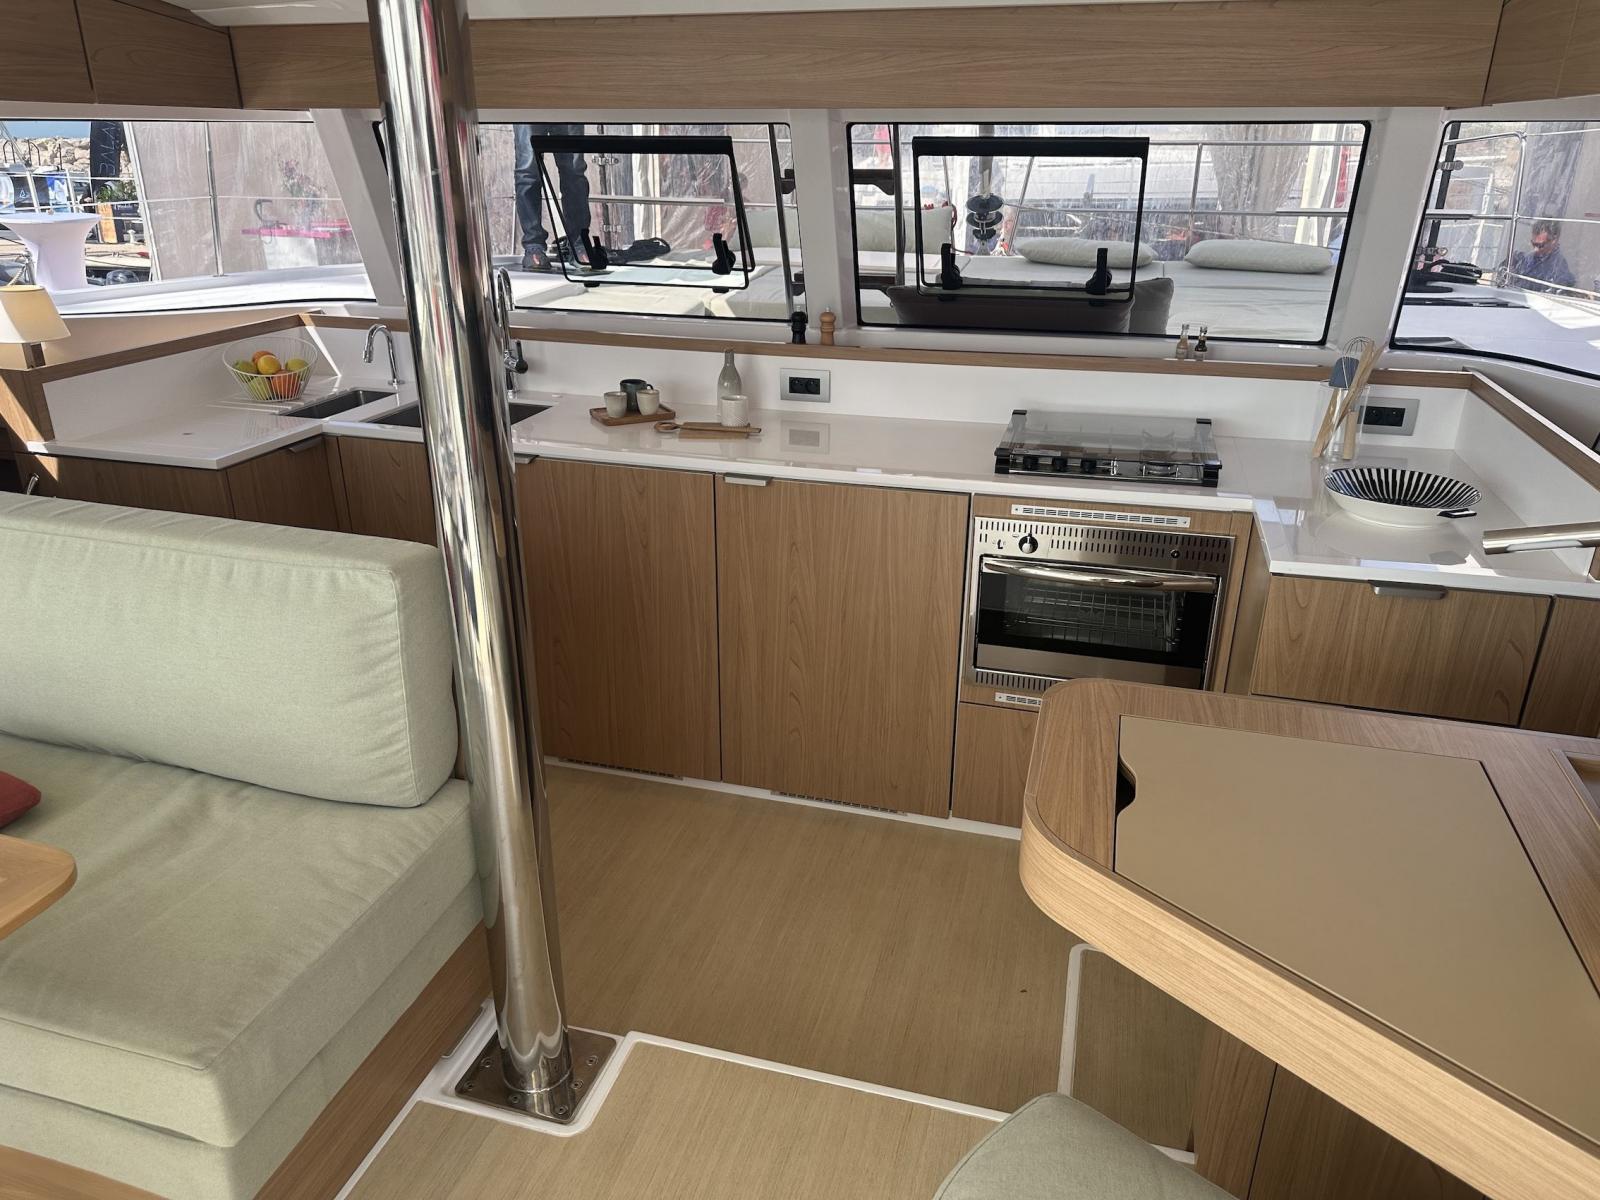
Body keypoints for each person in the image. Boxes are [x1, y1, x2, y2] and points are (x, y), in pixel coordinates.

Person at [513, 123, 591, 272]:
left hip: (569, 109)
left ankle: (579, 245)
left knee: (574, 170)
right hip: (527, 109)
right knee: (528, 170)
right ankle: (533, 247)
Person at [1509, 219, 1577, 293]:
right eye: (1533, 244)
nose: (1535, 249)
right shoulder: (1525, 258)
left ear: (1554, 241)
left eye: (1540, 245)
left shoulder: (1558, 268)